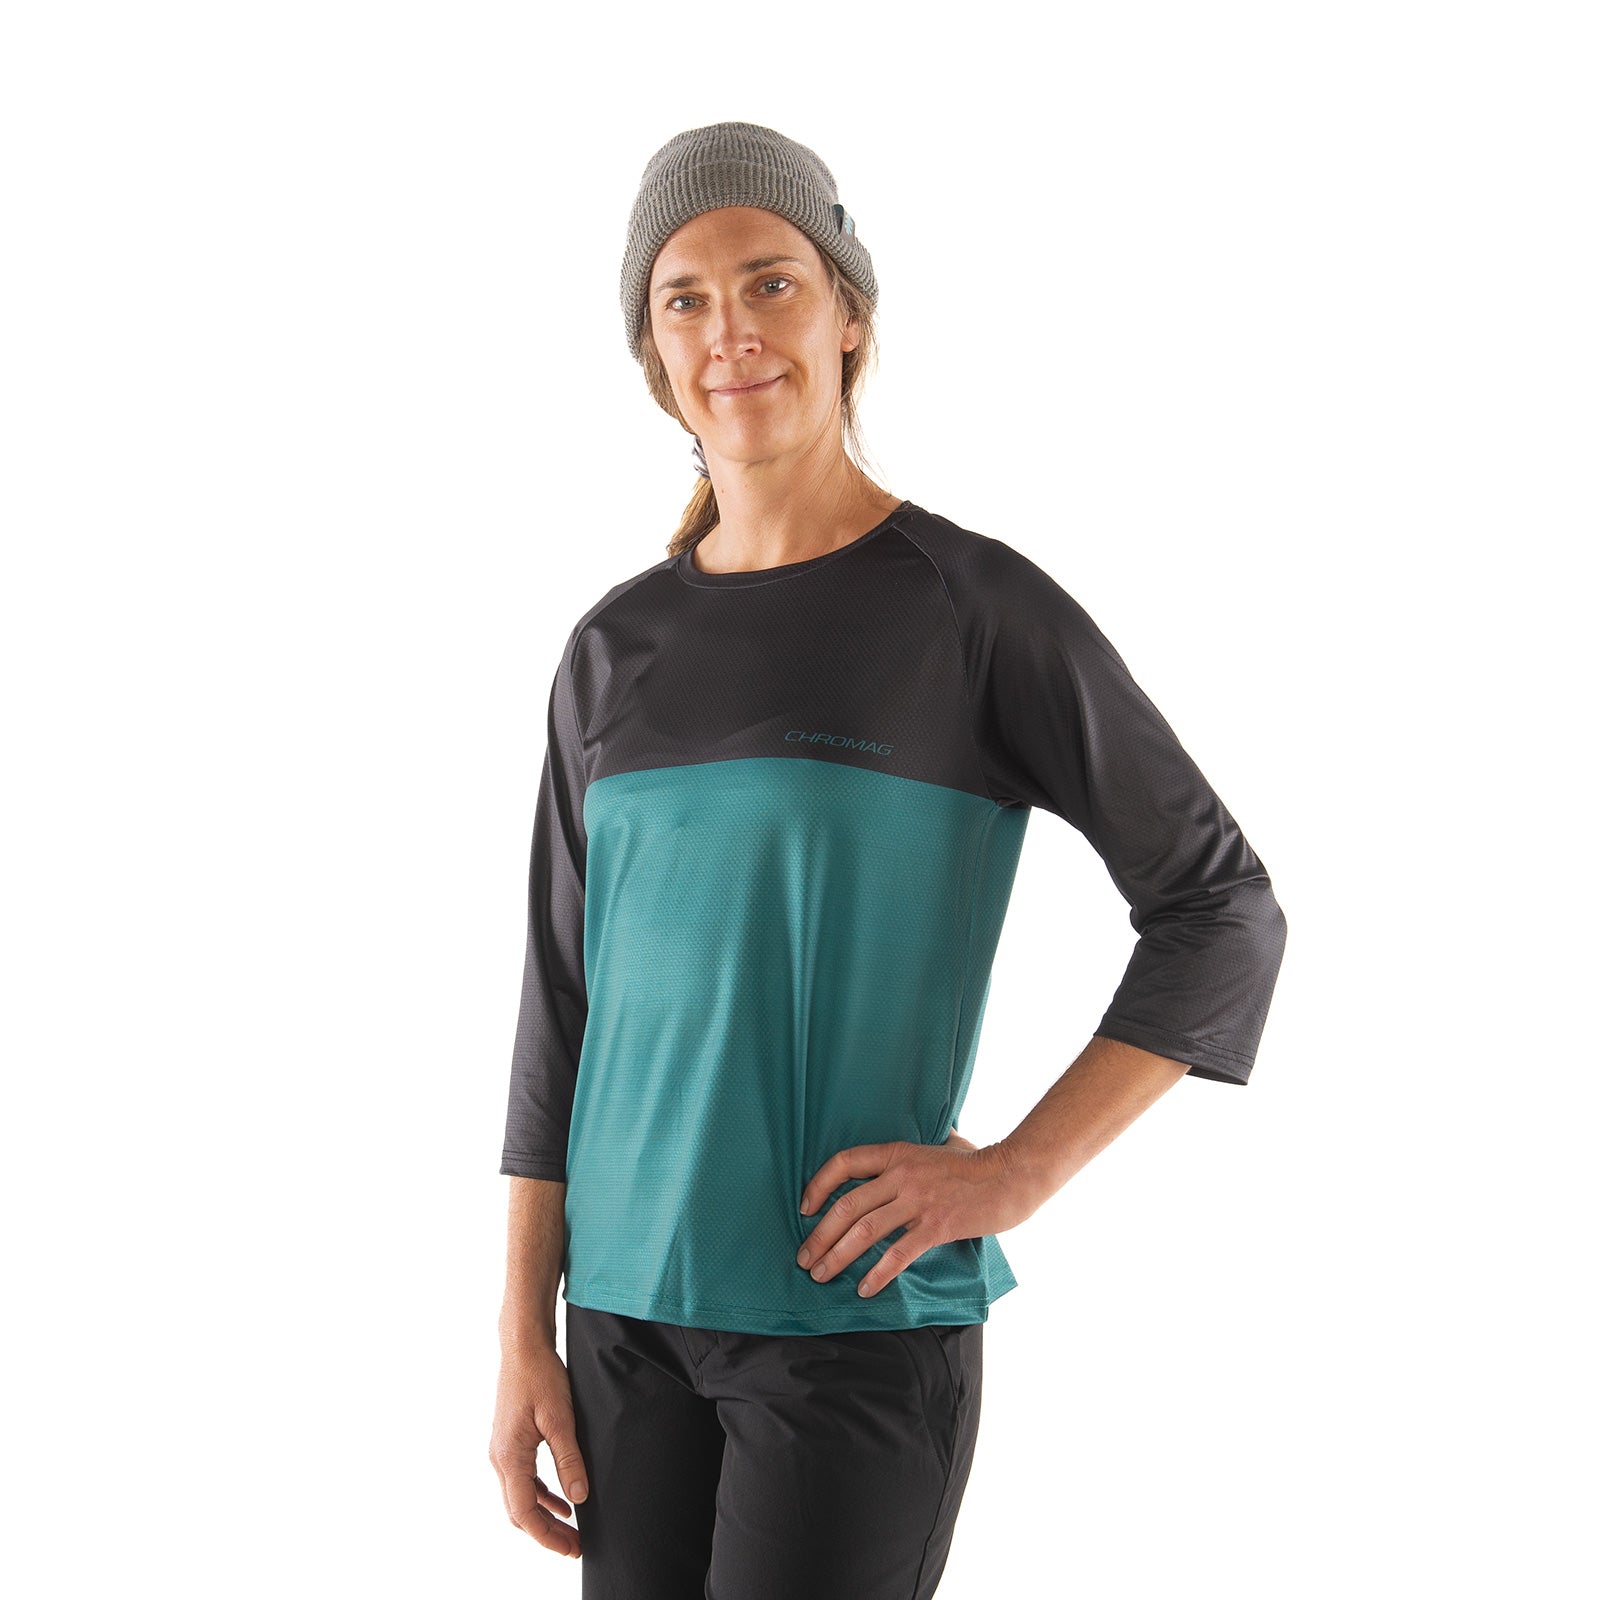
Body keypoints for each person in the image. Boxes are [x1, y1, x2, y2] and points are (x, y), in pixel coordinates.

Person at [487, 121, 1288, 1598]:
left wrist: (1020, 1172)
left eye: (771, 283)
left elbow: (1221, 908)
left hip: (847, 1326)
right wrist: (521, 1330)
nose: (730, 332)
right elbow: (562, 1007)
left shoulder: (967, 609)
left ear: (848, 316)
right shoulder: (614, 647)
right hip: (621, 1330)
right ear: (654, 354)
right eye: (684, 299)